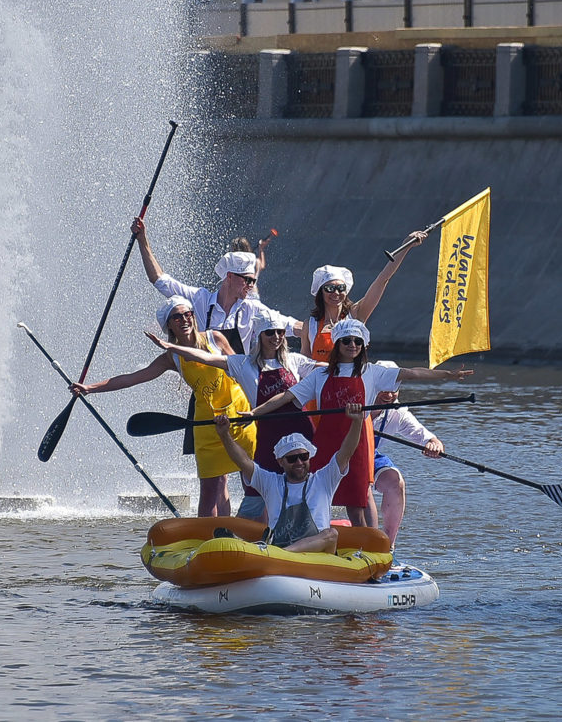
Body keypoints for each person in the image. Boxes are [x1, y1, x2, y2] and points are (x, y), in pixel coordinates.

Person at [244, 318, 471, 528]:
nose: (352, 345)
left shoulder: (371, 372)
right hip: (326, 441)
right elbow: (286, 397)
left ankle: (366, 549)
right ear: (338, 343)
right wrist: (254, 413)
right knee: (314, 494)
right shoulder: (320, 376)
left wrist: (446, 376)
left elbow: (411, 373)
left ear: (363, 345)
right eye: (346, 341)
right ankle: (306, 537)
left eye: (357, 341)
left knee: (356, 502)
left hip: (358, 443)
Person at [71, 296, 256, 517]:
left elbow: (245, 372)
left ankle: (260, 537)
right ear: (169, 324)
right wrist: (90, 388)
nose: (184, 320)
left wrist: (255, 411)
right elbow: (134, 378)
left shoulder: (215, 338)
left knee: (252, 482)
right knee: (209, 491)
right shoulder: (172, 358)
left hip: (240, 417)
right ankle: (209, 541)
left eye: (188, 314)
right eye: (177, 317)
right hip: (206, 425)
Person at [144, 310, 322, 523]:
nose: (276, 337)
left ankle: (307, 528)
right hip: (266, 437)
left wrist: (352, 363)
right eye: (270, 333)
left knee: (304, 484)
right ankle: (246, 538)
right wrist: (171, 346)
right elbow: (207, 357)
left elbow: (328, 369)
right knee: (258, 491)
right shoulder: (243, 364)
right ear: (260, 337)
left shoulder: (295, 360)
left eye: (280, 333)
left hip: (299, 434)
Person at [214, 403, 366, 553]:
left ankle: (269, 552)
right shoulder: (271, 483)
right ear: (281, 462)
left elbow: (346, 452)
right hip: (279, 553)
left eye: (303, 456)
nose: (299, 462)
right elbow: (243, 461)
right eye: (292, 459)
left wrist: (357, 421)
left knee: (331, 534)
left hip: (318, 555)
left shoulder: (323, 479)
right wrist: (224, 434)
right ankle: (265, 551)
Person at [132, 217, 299, 353]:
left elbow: (291, 325)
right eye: (247, 280)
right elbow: (159, 280)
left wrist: (319, 328)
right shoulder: (199, 299)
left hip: (238, 388)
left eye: (253, 281)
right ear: (230, 277)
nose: (251, 285)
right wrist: (142, 240)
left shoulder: (252, 308)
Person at [299, 229, 427, 361]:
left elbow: (382, 280)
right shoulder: (310, 325)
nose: (336, 293)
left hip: (352, 381)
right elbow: (304, 365)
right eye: (330, 288)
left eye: (340, 288)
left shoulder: (356, 314)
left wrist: (406, 245)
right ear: (321, 292)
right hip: (320, 382)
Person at [366, 380, 444, 551]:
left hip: (369, 455)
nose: (389, 395)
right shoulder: (358, 400)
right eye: (383, 390)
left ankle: (387, 546)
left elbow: (424, 435)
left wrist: (433, 444)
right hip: (339, 453)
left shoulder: (397, 412)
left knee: (396, 482)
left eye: (394, 391)